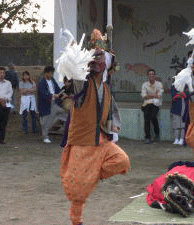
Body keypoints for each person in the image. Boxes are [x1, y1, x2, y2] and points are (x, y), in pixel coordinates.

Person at [60, 48, 131, 225]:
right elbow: (75, 82)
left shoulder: (106, 87)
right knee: (78, 193)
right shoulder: (83, 83)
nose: (98, 61)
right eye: (96, 58)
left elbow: (112, 109)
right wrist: (73, 59)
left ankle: (91, 174)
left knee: (122, 161)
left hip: (100, 139)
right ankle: (77, 222)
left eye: (101, 58)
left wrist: (114, 123)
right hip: (82, 140)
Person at [37, 66, 68, 143]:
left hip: (55, 103)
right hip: (47, 104)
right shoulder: (41, 82)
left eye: (52, 73)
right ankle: (45, 137)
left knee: (66, 115)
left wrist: (62, 94)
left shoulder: (53, 81)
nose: (52, 75)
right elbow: (43, 94)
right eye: (51, 73)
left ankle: (65, 131)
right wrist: (53, 96)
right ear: (46, 73)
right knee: (46, 121)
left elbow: (58, 89)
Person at [141, 69, 164, 144]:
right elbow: (144, 96)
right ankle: (147, 137)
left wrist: (149, 95)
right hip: (146, 104)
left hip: (155, 104)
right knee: (146, 120)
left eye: (152, 74)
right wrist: (155, 95)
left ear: (155, 75)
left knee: (154, 117)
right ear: (147, 76)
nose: (151, 76)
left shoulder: (159, 84)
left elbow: (160, 95)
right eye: (149, 74)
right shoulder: (144, 85)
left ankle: (157, 135)